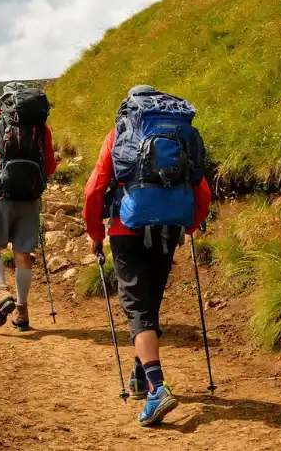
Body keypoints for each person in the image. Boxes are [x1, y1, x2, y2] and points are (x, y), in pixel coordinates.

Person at [83, 84, 212, 427]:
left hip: (127, 229)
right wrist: (190, 225)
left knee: (138, 309)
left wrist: (95, 233)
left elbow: (95, 186)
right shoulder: (184, 133)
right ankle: (140, 376)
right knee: (150, 304)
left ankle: (157, 387)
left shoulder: (119, 134)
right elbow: (202, 187)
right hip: (170, 228)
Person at [0, 82, 58, 330]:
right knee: (22, 255)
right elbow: (49, 165)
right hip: (29, 196)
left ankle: (0, 292)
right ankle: (22, 310)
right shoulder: (41, 125)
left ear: (6, 100)